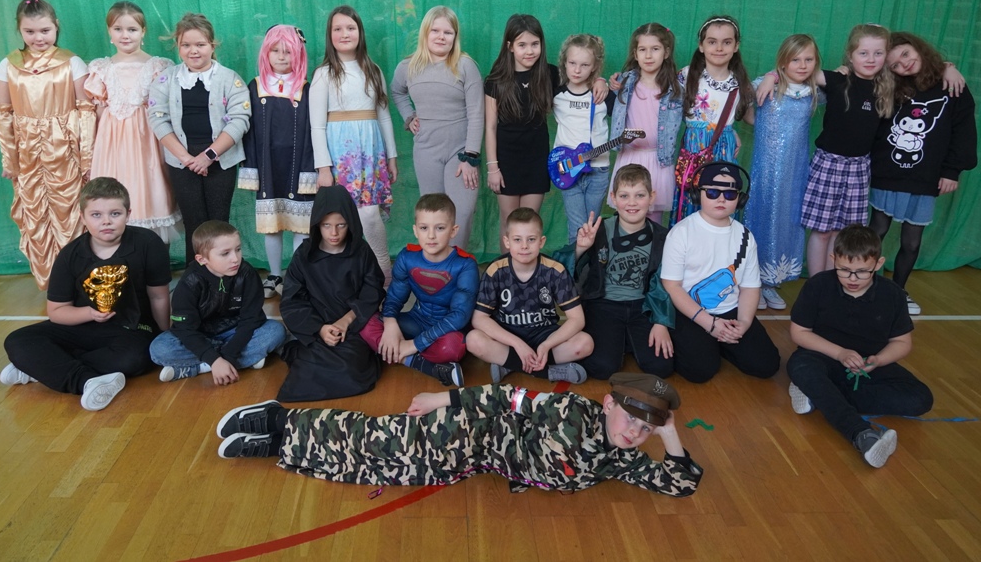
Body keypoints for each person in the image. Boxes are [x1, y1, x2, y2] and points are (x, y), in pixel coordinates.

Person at [214, 373, 703, 497]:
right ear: (609, 404)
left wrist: (669, 433)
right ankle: (279, 420)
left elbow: (681, 484)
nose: (634, 433)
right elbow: (507, 398)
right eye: (630, 419)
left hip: (470, 462)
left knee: (380, 469)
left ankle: (277, 447)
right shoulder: (571, 409)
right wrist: (442, 399)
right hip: (469, 431)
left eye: (645, 429)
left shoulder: (623, 458)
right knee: (379, 441)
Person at [0, 177, 171, 410]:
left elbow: (158, 296)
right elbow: (57, 312)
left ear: (128, 214)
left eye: (115, 213)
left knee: (135, 359)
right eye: (96, 215)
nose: (106, 221)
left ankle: (43, 368)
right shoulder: (70, 255)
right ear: (83, 217)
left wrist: (164, 333)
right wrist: (90, 314)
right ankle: (86, 381)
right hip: (83, 325)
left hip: (131, 330)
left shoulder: (148, 243)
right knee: (18, 340)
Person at [786, 224, 933, 468]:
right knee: (800, 366)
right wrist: (840, 353)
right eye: (844, 270)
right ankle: (862, 435)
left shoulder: (893, 294)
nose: (852, 279)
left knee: (921, 398)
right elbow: (799, 333)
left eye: (862, 272)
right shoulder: (818, 285)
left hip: (868, 365)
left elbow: (902, 342)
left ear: (878, 263)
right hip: (823, 357)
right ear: (833, 259)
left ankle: (818, 394)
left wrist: (879, 360)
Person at [757, 24, 896, 277]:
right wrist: (771, 76)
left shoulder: (885, 89)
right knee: (821, 231)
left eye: (878, 53)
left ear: (886, 56)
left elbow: (921, 74)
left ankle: (833, 282)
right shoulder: (837, 80)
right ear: (850, 55)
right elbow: (797, 71)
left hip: (859, 168)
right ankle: (816, 282)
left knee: (842, 232)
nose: (870, 59)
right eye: (863, 53)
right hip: (829, 164)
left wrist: (947, 68)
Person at [0, 0, 95, 289]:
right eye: (30, 32)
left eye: (45, 31)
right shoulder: (8, 65)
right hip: (28, 155)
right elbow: (3, 113)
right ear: (19, 30)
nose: (38, 38)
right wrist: (10, 160)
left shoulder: (71, 62)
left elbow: (86, 110)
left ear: (56, 26)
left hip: (65, 150)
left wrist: (87, 158)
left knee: (70, 211)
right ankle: (53, 284)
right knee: (36, 215)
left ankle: (79, 279)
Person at [869, 32, 976, 314]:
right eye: (894, 64)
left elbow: (963, 131)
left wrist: (952, 171)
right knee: (876, 230)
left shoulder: (951, 85)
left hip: (925, 176)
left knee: (911, 240)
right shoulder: (890, 86)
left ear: (917, 47)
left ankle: (898, 291)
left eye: (905, 54)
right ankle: (866, 287)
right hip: (888, 172)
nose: (903, 64)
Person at [484, 15, 610, 237]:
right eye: (522, 45)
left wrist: (601, 81)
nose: (529, 51)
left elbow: (579, 81)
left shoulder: (550, 74)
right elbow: (491, 127)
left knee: (530, 221)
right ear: (510, 46)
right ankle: (508, 262)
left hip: (537, 159)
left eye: (535, 44)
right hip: (506, 160)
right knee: (509, 222)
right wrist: (493, 168)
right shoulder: (495, 81)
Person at [661, 162, 780, 383]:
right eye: (713, 192)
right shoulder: (681, 233)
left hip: (730, 310)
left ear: (740, 199)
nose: (721, 199)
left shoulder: (745, 236)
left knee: (767, 365)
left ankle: (723, 342)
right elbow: (672, 286)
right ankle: (709, 342)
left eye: (730, 193)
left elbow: (750, 287)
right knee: (700, 371)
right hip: (690, 311)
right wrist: (710, 324)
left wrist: (743, 323)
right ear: (698, 194)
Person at [555, 164, 675, 379]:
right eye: (624, 196)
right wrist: (581, 247)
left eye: (640, 195)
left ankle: (624, 338)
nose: (632, 203)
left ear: (651, 197)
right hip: (604, 304)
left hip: (643, 306)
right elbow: (559, 268)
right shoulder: (599, 230)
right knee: (602, 367)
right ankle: (618, 339)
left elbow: (663, 284)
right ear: (613, 198)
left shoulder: (662, 237)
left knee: (661, 367)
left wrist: (660, 321)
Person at [148, 13, 251, 263]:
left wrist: (209, 156)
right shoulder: (165, 79)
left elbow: (240, 119)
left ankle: (222, 274)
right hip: (182, 161)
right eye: (186, 45)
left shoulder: (230, 79)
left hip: (220, 160)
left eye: (200, 44)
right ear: (178, 46)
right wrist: (186, 159)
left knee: (218, 221)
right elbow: (157, 119)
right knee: (193, 221)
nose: (193, 51)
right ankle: (195, 276)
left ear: (212, 46)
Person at [310, 5, 397, 282]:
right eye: (337, 29)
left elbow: (384, 116)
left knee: (369, 214)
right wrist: (323, 167)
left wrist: (392, 157)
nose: (344, 33)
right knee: (342, 217)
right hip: (340, 156)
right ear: (329, 35)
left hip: (370, 153)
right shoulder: (323, 74)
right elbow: (317, 125)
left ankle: (383, 272)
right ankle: (347, 276)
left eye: (350, 28)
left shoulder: (373, 70)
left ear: (360, 32)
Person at [275, 185, 386, 402]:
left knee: (352, 369)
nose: (333, 233)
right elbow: (292, 301)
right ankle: (297, 350)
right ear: (317, 224)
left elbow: (373, 290)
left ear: (351, 223)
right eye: (326, 225)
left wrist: (346, 320)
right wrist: (321, 329)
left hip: (354, 325)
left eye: (341, 225)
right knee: (307, 372)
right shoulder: (304, 255)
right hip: (318, 329)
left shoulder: (361, 251)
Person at [391, 6, 484, 250]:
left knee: (462, 212)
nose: (441, 37)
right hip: (426, 151)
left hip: (460, 151)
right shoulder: (408, 67)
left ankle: (457, 265)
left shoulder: (466, 66)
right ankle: (435, 266)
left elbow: (477, 112)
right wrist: (409, 116)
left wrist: (471, 156)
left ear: (455, 37)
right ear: (425, 32)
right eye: (435, 31)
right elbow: (397, 92)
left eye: (448, 32)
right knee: (432, 216)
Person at [85, 1, 179, 244]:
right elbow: (97, 113)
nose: (125, 35)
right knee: (112, 193)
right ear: (109, 31)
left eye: (132, 29)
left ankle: (154, 256)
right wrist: (91, 150)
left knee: (149, 188)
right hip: (111, 146)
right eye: (118, 29)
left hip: (147, 142)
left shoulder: (159, 67)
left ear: (143, 31)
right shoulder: (100, 68)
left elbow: (167, 110)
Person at [465, 207, 594, 384]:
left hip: (544, 335)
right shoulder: (496, 270)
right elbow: (479, 319)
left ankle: (510, 364)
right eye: (517, 239)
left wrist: (547, 345)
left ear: (541, 241)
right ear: (507, 241)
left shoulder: (554, 270)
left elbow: (577, 319)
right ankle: (548, 372)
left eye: (531, 239)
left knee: (585, 343)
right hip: (508, 337)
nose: (524, 246)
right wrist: (517, 344)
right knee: (473, 340)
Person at [362, 193, 478, 387]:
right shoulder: (408, 257)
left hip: (448, 330)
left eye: (440, 228)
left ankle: (398, 353)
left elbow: (459, 316)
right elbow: (394, 298)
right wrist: (390, 323)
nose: (431, 236)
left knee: (453, 349)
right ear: (415, 230)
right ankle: (421, 364)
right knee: (366, 324)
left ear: (453, 231)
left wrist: (415, 344)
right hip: (416, 320)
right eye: (424, 228)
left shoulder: (465, 265)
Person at [148, 220, 286, 384]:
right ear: (202, 259)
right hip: (201, 335)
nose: (235, 259)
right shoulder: (189, 282)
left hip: (235, 332)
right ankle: (239, 361)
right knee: (159, 348)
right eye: (225, 253)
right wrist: (214, 359)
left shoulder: (247, 274)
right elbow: (185, 329)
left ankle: (199, 367)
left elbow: (251, 320)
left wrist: (228, 355)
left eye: (238, 249)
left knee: (275, 331)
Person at [743, 34, 822, 310]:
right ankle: (753, 281)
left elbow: (843, 84)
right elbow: (743, 105)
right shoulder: (766, 86)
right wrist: (771, 76)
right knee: (763, 218)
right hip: (766, 170)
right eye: (795, 60)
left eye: (809, 60)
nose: (802, 65)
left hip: (795, 173)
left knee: (787, 220)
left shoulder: (813, 91)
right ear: (783, 62)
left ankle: (772, 281)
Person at [239, 25, 317, 297]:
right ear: (266, 52)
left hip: (298, 165)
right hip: (268, 166)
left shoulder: (307, 88)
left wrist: (311, 168)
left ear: (299, 54)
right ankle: (274, 275)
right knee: (272, 226)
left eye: (288, 51)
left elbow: (313, 131)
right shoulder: (255, 86)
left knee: (301, 227)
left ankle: (295, 277)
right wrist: (251, 167)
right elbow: (247, 132)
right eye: (275, 50)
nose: (282, 56)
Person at [671, 15, 755, 224]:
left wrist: (730, 130)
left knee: (721, 197)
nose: (719, 48)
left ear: (736, 46)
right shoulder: (686, 76)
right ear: (701, 46)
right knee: (691, 197)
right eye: (712, 42)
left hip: (723, 149)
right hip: (693, 147)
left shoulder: (740, 83)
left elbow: (748, 117)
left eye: (726, 42)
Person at [607, 23, 683, 227]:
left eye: (655, 49)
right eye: (642, 49)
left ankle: (652, 248)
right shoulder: (623, 83)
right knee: (627, 216)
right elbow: (599, 92)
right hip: (629, 158)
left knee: (653, 221)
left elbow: (698, 116)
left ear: (666, 52)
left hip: (658, 160)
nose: (648, 55)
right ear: (635, 53)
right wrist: (600, 82)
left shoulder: (676, 88)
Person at [551, 33, 617, 239]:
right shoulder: (556, 94)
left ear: (594, 67)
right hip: (567, 168)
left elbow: (626, 115)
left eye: (585, 65)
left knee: (592, 227)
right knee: (577, 229)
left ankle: (591, 261)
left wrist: (603, 82)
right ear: (564, 62)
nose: (577, 70)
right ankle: (575, 261)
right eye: (572, 63)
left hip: (598, 170)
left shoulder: (602, 95)